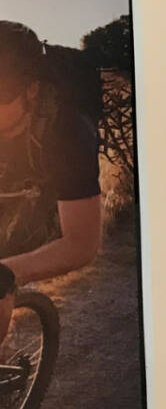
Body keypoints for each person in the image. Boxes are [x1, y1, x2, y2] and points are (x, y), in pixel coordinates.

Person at [0, 21, 103, 341]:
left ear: (32, 89)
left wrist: (9, 274)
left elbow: (82, 244)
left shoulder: (68, 131)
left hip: (43, 187)